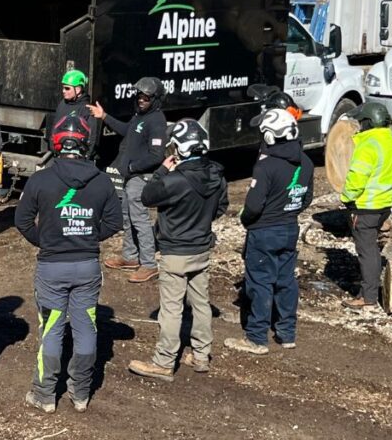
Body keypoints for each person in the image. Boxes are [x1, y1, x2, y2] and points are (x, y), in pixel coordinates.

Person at [15, 115, 122, 413]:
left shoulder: (40, 179)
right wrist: (87, 236)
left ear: (56, 142)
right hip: (87, 265)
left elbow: (21, 219)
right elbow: (115, 221)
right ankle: (81, 393)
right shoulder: (101, 181)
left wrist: (45, 240)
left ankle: (44, 394)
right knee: (86, 326)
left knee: (52, 328)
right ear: (86, 144)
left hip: (52, 266)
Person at [128, 118, 228, 380]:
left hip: (175, 252)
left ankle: (163, 362)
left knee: (172, 308)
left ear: (181, 148)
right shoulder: (217, 174)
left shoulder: (174, 181)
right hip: (201, 248)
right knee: (201, 303)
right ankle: (201, 355)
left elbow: (147, 196)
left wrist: (162, 170)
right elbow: (221, 207)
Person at [224, 109, 313, 355]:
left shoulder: (266, 166)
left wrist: (246, 219)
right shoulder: (305, 162)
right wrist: (288, 210)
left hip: (264, 231)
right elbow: (307, 198)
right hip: (289, 228)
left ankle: (256, 337)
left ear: (270, 136)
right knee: (286, 281)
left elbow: (253, 206)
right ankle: (287, 333)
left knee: (259, 283)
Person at [88, 77, 168, 283]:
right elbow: (127, 131)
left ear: (156, 99)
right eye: (139, 96)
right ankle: (130, 257)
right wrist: (104, 116)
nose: (141, 100)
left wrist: (133, 167)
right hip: (130, 177)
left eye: (146, 98)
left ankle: (149, 264)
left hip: (140, 178)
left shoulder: (156, 120)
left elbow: (156, 155)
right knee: (127, 217)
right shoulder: (139, 116)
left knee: (139, 219)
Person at [339, 102, 392, 310]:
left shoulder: (367, 145)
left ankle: (368, 296)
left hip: (364, 207)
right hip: (383, 204)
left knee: (366, 252)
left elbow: (357, 179)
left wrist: (346, 197)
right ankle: (371, 288)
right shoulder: (391, 142)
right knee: (373, 250)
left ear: (368, 122)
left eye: (361, 122)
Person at [51, 70, 99, 159]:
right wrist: (53, 149)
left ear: (77, 89)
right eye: (63, 88)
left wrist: (86, 157)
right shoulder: (62, 104)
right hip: (60, 155)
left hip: (78, 158)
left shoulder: (87, 108)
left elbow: (92, 137)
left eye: (67, 88)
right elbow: (55, 127)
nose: (63, 91)